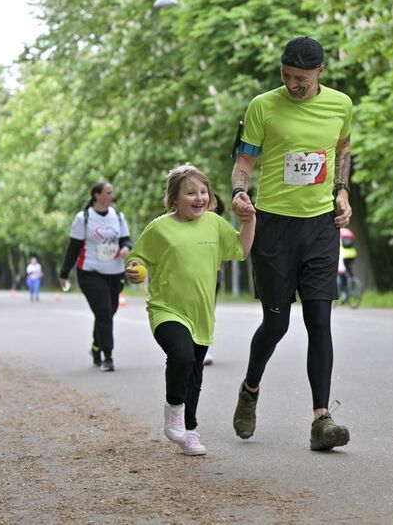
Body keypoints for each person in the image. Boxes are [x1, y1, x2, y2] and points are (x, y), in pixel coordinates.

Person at [230, 36, 354, 450]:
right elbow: (244, 160)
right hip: (274, 227)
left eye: (301, 78)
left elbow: (343, 147)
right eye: (286, 76)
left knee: (319, 321)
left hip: (320, 227)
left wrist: (342, 190)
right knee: (276, 324)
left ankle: (322, 420)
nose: (292, 84)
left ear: (320, 72)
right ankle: (250, 390)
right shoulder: (263, 106)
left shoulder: (340, 105)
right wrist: (239, 192)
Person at [125, 165, 255, 456]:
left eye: (203, 192)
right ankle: (174, 409)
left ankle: (190, 430)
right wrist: (135, 269)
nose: (199, 198)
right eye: (190, 193)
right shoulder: (159, 227)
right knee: (182, 355)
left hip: (201, 314)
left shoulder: (215, 224)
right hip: (166, 310)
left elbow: (241, 249)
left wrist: (250, 221)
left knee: (195, 374)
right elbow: (138, 258)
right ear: (174, 199)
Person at [59, 182, 132, 372]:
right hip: (90, 272)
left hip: (115, 272)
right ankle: (108, 357)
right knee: (104, 312)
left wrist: (125, 248)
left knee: (107, 313)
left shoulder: (118, 216)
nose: (112, 195)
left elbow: (126, 240)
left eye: (112, 192)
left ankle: (96, 347)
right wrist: (64, 273)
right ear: (97, 195)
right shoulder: (83, 218)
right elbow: (73, 248)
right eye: (108, 192)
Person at [204, 193, 226, 367]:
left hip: (213, 274)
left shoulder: (219, 225)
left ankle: (204, 348)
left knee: (207, 311)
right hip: (188, 274)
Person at [338, 227, 357, 301]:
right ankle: (352, 281)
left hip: (344, 255)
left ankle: (344, 292)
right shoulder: (348, 236)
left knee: (341, 272)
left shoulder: (339, 236)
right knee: (348, 268)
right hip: (352, 254)